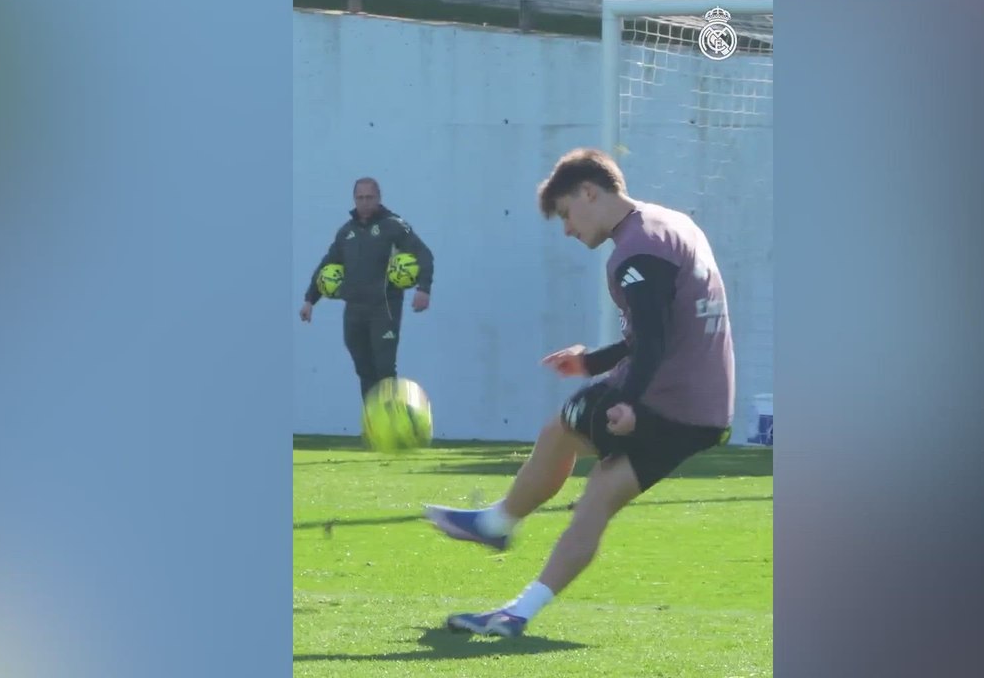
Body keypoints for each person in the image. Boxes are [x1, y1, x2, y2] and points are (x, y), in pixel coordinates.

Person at [424, 147, 735, 638]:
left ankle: (499, 523)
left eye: (567, 213)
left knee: (564, 424)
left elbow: (653, 342)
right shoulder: (668, 225)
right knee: (598, 498)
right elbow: (658, 329)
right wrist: (591, 362)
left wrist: (628, 400)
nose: (567, 228)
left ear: (590, 191)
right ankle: (517, 613)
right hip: (705, 410)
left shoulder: (637, 250)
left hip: (665, 399)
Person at [299, 177, 435, 402]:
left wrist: (424, 288)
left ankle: (392, 422)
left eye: (369, 197)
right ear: (354, 199)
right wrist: (309, 300)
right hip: (354, 310)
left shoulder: (394, 225)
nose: (364, 202)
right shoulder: (346, 232)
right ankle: (374, 425)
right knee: (364, 369)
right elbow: (327, 265)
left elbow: (424, 254)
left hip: (384, 308)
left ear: (378, 198)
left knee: (384, 368)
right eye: (360, 198)